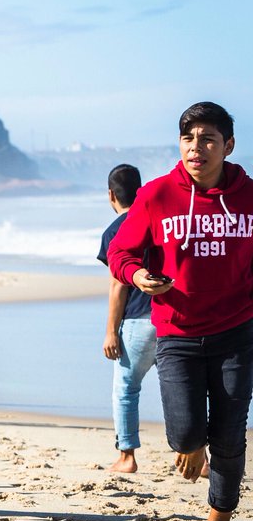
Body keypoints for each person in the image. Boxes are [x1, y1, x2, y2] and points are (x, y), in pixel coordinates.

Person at [108, 102, 253, 521]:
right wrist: (137, 276)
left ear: (227, 146)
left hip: (237, 332)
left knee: (230, 436)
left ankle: (219, 520)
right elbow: (120, 253)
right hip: (177, 333)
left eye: (208, 139)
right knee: (187, 432)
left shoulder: (249, 196)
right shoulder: (156, 195)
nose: (197, 148)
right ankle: (190, 444)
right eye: (189, 139)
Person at [98, 164, 157, 473]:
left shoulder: (115, 231)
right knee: (185, 388)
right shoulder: (158, 222)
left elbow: (118, 283)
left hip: (137, 321)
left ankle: (127, 456)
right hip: (172, 317)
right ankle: (201, 458)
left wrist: (110, 331)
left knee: (126, 389)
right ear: (141, 189)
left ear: (111, 195)